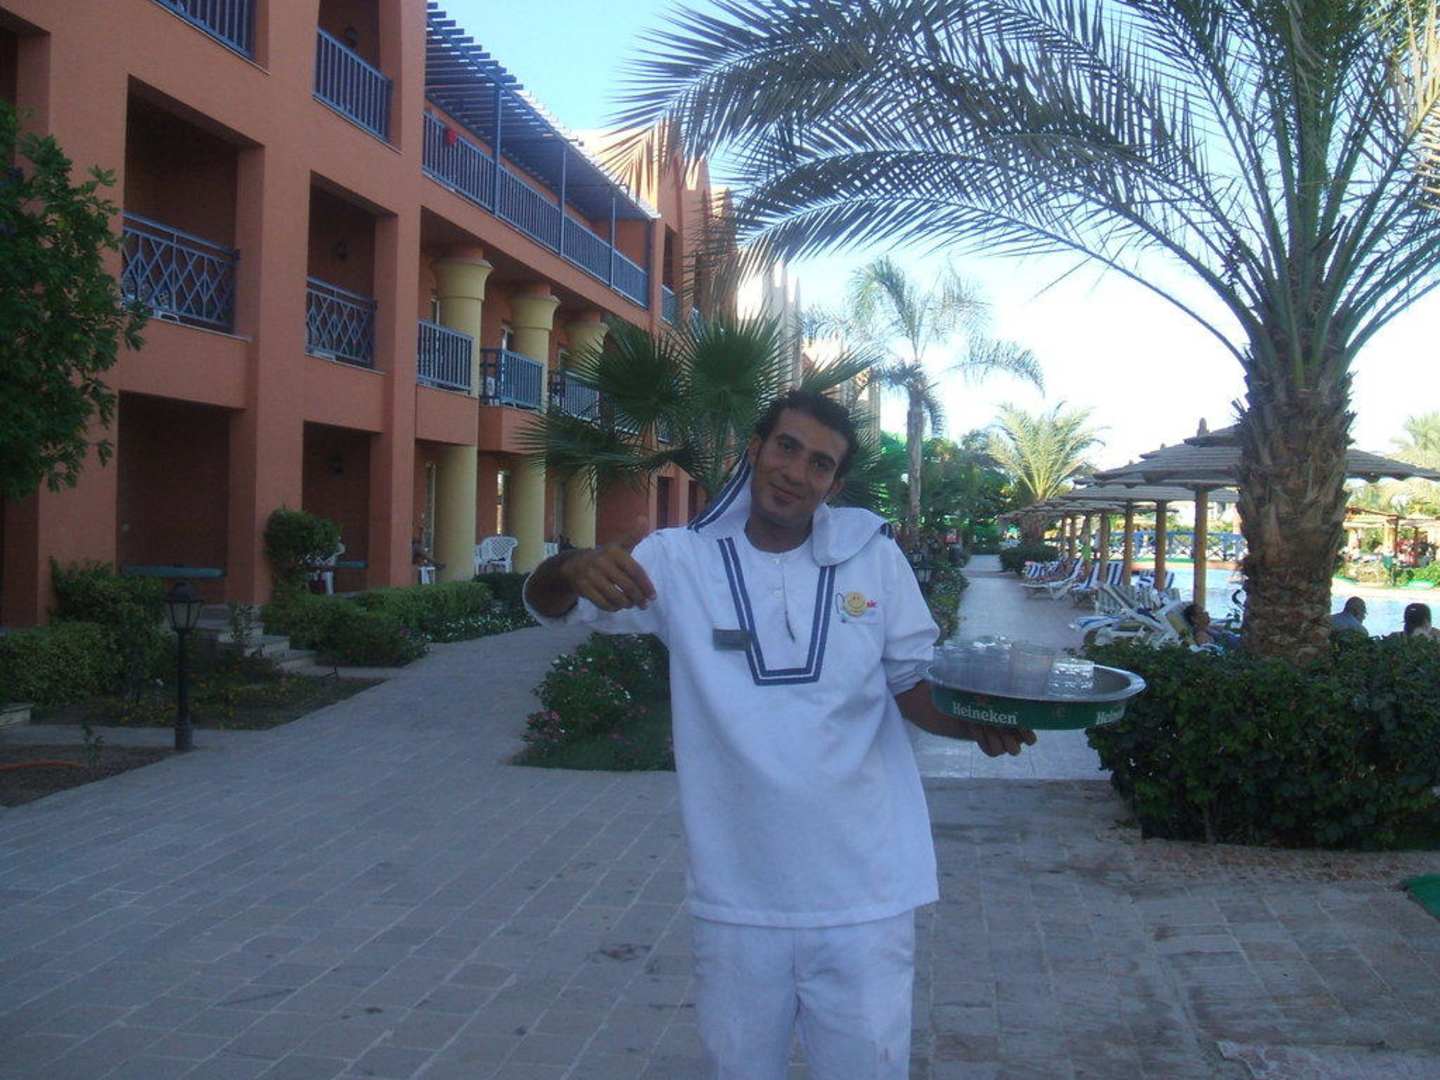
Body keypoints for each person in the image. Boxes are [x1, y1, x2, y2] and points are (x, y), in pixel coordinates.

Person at [524, 389, 1036, 1080]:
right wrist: (567, 567)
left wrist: (976, 723)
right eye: (786, 448)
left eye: (819, 463)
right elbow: (552, 607)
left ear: (835, 484)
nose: (796, 472)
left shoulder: (872, 558)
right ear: (755, 449)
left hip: (865, 893)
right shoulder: (681, 561)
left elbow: (911, 684)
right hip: (738, 897)